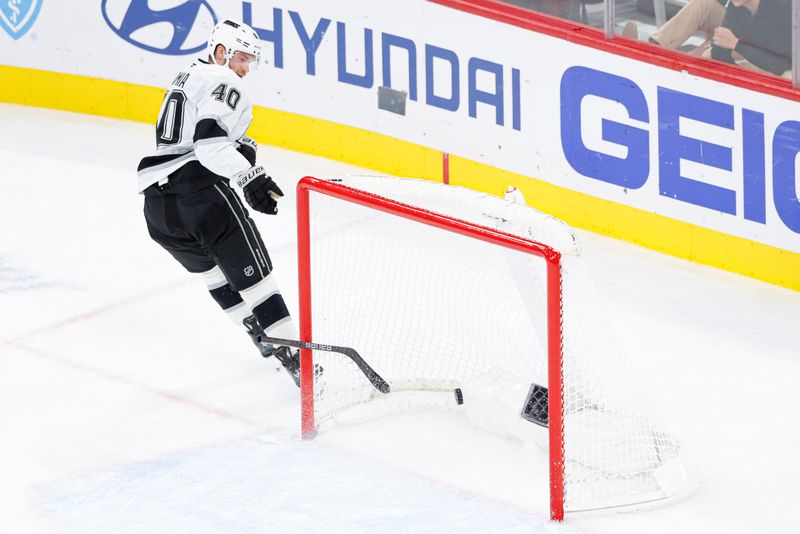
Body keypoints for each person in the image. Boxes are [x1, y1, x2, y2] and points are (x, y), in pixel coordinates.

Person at [136, 19, 304, 386]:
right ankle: (297, 362)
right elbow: (210, 145)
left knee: (215, 276)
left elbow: (198, 137)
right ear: (221, 51)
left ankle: (260, 337)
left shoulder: (186, 76)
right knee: (256, 279)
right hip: (200, 197)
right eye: (242, 57)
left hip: (157, 206)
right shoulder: (224, 81)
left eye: (250, 61)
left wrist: (239, 152)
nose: (246, 68)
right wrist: (249, 176)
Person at [642, 0, 791, 77]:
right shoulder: (736, 6)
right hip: (749, 46)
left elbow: (781, 64)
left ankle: (681, 66)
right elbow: (720, 51)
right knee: (711, 54)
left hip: (782, 66)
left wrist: (736, 44)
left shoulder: (782, 9)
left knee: (725, 54)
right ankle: (652, 51)